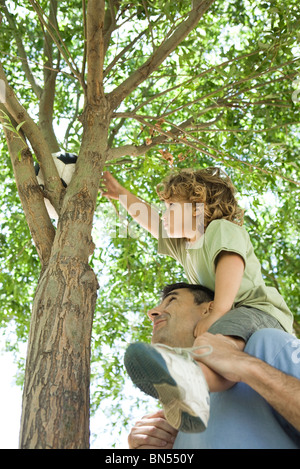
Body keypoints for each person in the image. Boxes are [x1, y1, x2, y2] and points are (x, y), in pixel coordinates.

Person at [101, 169, 294, 431]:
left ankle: (187, 376)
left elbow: (231, 262)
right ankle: (193, 391)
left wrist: (217, 312)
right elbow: (151, 222)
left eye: (170, 206)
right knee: (215, 354)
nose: (164, 212)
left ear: (197, 208)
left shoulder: (219, 229)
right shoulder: (185, 247)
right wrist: (121, 194)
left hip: (259, 311)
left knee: (218, 339)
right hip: (234, 317)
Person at [126, 284, 300, 449]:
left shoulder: (264, 344)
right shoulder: (177, 421)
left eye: (171, 300)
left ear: (209, 309)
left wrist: (243, 364)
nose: (152, 313)